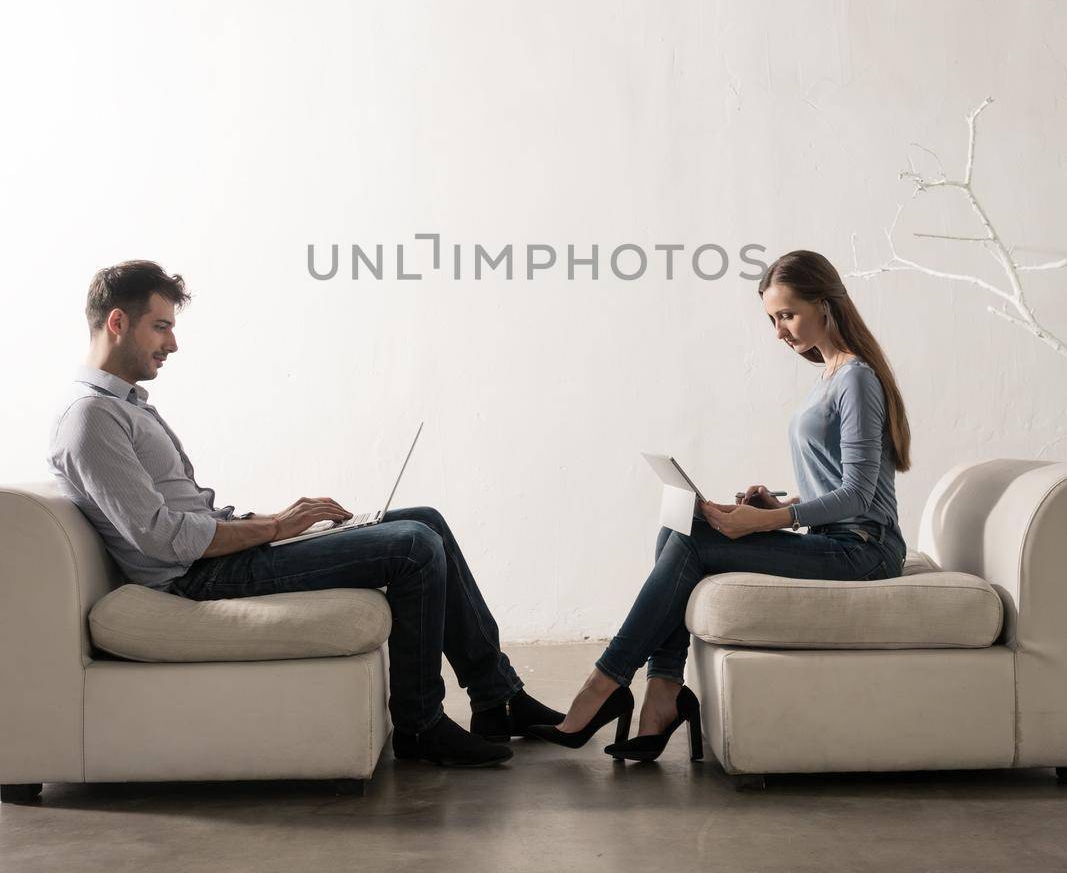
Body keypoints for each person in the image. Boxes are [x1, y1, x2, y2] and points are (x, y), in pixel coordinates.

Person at [47, 260, 563, 770]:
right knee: (412, 546)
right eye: (161, 327)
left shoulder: (123, 407)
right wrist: (273, 529)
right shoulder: (91, 418)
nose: (173, 344)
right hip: (197, 578)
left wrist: (278, 519)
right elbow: (160, 538)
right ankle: (421, 725)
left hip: (216, 557)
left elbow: (186, 512)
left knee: (424, 519)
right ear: (118, 322)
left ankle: (497, 699)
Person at [529, 249, 911, 760]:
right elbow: (837, 486)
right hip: (837, 539)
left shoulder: (856, 379)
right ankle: (662, 694)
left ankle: (603, 685)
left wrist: (772, 519)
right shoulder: (832, 375)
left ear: (826, 305)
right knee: (677, 526)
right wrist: (776, 502)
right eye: (773, 318)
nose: (779, 331)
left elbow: (860, 496)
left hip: (866, 553)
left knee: (690, 542)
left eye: (787, 314)